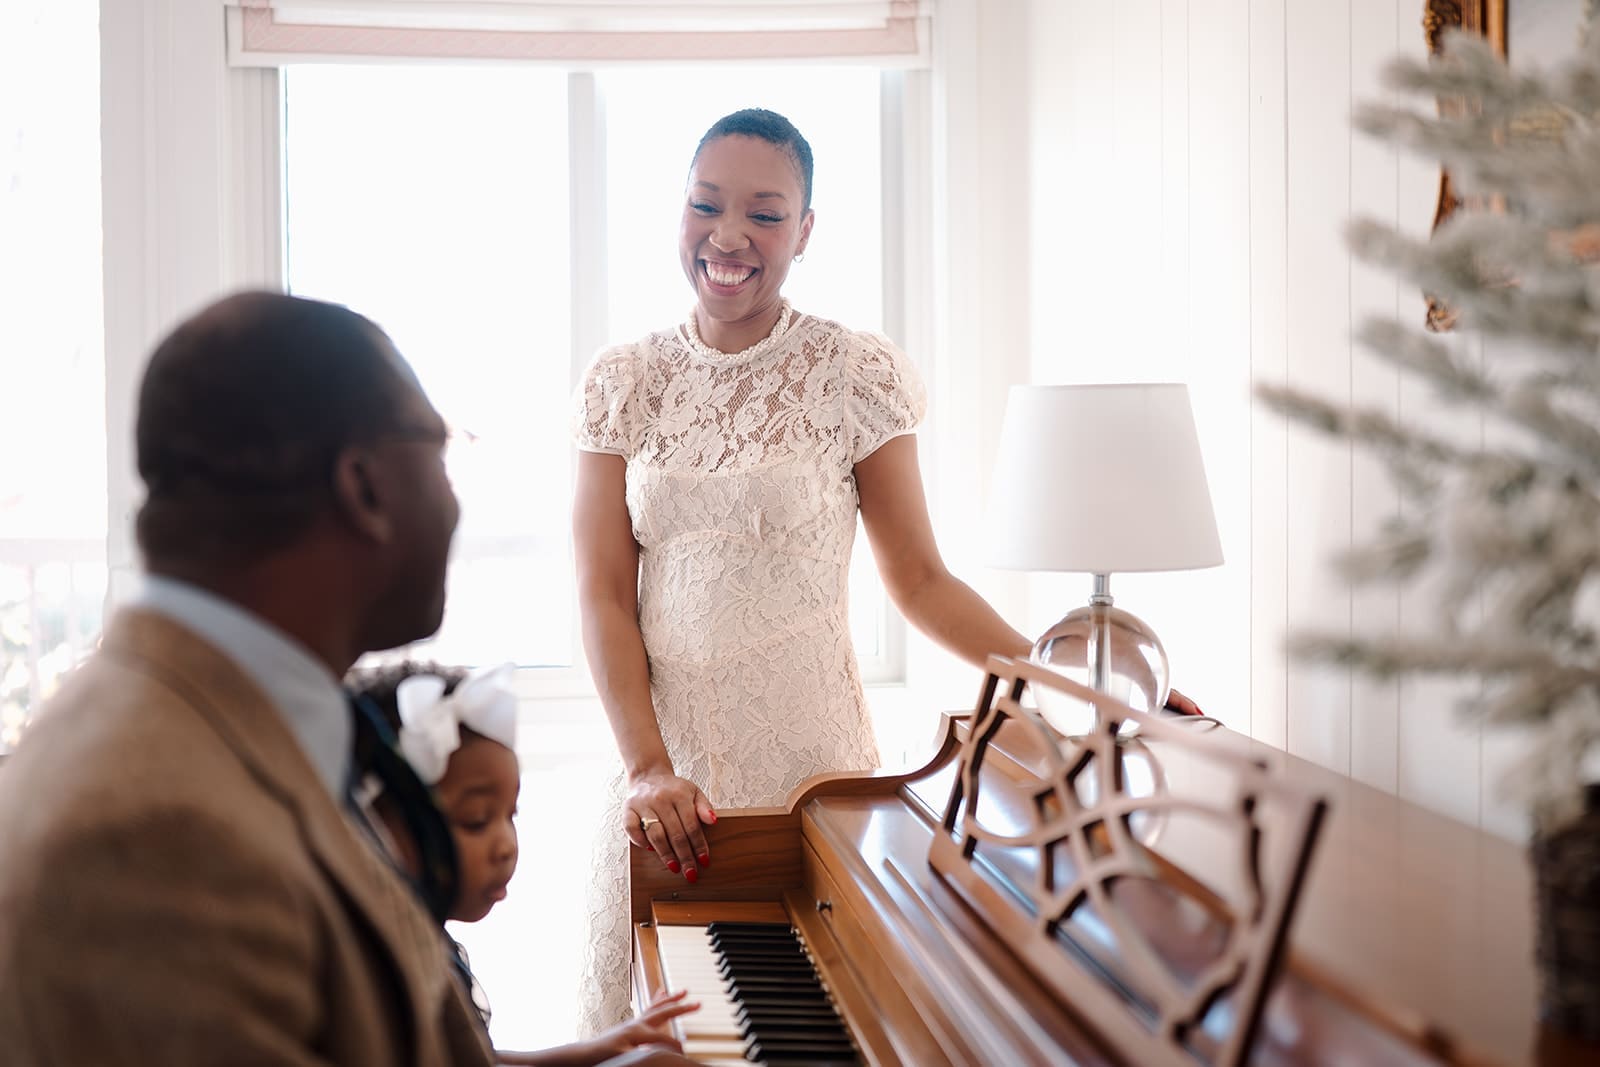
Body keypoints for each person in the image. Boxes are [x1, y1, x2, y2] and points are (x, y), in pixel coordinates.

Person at [567, 108, 1039, 1035]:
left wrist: (1062, 679)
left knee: (827, 1034)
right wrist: (646, 769)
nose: (729, 234)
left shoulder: (851, 372)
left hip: (812, 780)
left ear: (807, 230)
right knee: (665, 1041)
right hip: (663, 791)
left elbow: (922, 581)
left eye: (765, 213)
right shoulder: (624, 381)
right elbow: (601, 595)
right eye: (706, 204)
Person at [0, 291, 491, 1064]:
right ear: (363, 486)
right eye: (438, 447)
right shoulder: (149, 840)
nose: (456, 500)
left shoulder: (236, 719)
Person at [349, 661, 701, 1066]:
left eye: (510, 814)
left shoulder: (421, 937)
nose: (505, 846)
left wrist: (598, 1049)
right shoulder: (377, 972)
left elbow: (479, 1060)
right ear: (376, 825)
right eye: (477, 820)